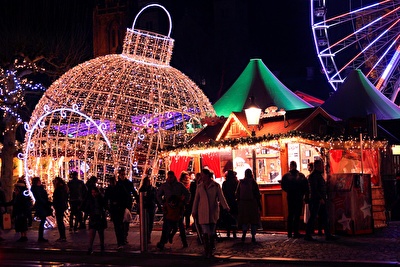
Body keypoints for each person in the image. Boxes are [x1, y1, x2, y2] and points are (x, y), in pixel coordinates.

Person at [192, 168, 229, 258]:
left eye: (203, 175)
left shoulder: (216, 186)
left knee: (212, 232)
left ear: (208, 175)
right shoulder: (200, 186)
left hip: (213, 211)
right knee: (205, 231)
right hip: (203, 212)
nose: (202, 177)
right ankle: (207, 249)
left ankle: (211, 247)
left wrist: (225, 207)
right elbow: (196, 200)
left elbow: (221, 197)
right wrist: (194, 211)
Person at [156, 170, 190, 250]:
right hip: (168, 209)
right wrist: (163, 203)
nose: (170, 178)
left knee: (180, 226)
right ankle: (162, 242)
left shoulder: (179, 185)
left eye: (171, 177)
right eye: (169, 177)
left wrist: (184, 202)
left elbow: (187, 194)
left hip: (177, 208)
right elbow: (158, 195)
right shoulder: (165, 186)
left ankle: (184, 242)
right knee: (166, 226)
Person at [304, 159, 337, 241]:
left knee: (324, 217)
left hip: (319, 199)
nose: (323, 167)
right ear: (318, 166)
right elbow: (314, 189)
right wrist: (320, 198)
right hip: (316, 200)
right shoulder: (314, 176)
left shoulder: (317, 175)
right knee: (314, 217)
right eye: (321, 165)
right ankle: (308, 234)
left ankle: (327, 234)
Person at [281, 161, 309, 238]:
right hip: (298, 197)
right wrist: (302, 194)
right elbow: (305, 187)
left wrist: (289, 191)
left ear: (290, 166)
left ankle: (289, 232)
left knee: (290, 214)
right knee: (297, 215)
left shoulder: (286, 176)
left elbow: (283, 186)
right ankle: (296, 232)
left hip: (290, 196)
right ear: (296, 166)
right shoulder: (301, 176)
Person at [236, 168, 261, 243]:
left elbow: (237, 193)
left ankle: (244, 234)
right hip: (252, 203)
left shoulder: (241, 182)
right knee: (253, 220)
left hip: (243, 204)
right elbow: (257, 194)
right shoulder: (253, 182)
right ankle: (253, 236)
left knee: (244, 220)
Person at [116, 167, 139, 245]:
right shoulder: (118, 184)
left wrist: (138, 199)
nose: (122, 175)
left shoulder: (128, 183)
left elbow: (133, 191)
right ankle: (122, 237)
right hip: (119, 205)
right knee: (121, 222)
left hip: (126, 204)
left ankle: (124, 236)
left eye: (123, 174)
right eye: (121, 174)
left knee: (126, 221)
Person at [104, 176, 126, 250]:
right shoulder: (116, 188)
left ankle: (121, 241)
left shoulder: (116, 188)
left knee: (119, 226)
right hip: (115, 209)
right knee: (118, 226)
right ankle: (121, 241)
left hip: (117, 208)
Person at [85, 187, 107, 255]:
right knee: (92, 233)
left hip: (99, 217)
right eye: (92, 192)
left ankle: (101, 246)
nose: (93, 194)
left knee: (100, 233)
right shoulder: (91, 199)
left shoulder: (101, 198)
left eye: (94, 192)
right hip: (94, 217)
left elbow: (105, 206)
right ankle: (90, 247)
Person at [31, 177, 52, 242]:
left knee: (43, 220)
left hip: (42, 205)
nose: (40, 182)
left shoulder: (38, 188)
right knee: (42, 220)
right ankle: (40, 237)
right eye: (39, 181)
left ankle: (41, 236)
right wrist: (46, 203)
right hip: (41, 206)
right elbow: (39, 198)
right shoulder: (37, 189)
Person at [138, 175, 157, 243]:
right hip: (145, 208)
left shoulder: (153, 189)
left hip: (151, 207)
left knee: (150, 223)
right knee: (145, 223)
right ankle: (146, 237)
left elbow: (155, 198)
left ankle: (148, 236)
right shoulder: (142, 189)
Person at [222, 170, 239, 238]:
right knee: (234, 216)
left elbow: (223, 193)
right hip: (234, 201)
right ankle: (234, 232)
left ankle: (228, 232)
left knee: (228, 216)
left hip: (227, 201)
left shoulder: (225, 183)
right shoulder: (236, 182)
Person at [52, 177, 69, 242]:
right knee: (60, 221)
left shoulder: (59, 189)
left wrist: (55, 204)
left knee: (60, 221)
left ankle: (62, 236)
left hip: (59, 206)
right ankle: (62, 236)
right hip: (61, 206)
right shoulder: (64, 188)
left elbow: (58, 198)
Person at [179, 171, 192, 235]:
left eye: (188, 178)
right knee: (182, 216)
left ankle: (187, 229)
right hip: (182, 202)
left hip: (188, 202)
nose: (187, 179)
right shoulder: (180, 184)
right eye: (185, 178)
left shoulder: (190, 184)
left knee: (188, 216)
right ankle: (182, 230)